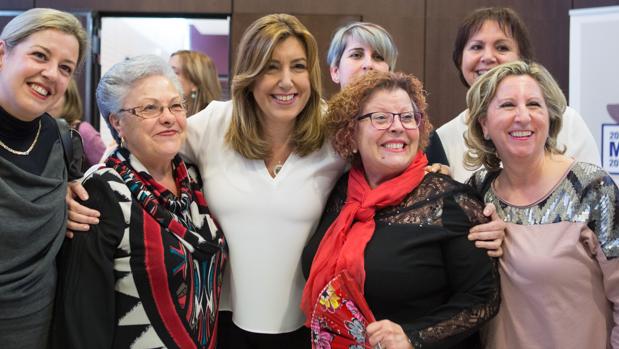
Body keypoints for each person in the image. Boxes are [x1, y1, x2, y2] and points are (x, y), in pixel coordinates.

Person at [302, 71, 499, 349]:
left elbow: (482, 297)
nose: (397, 127)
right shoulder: (339, 192)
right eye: (380, 118)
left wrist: (414, 336)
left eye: (407, 117)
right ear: (351, 131)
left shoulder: (449, 201)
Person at [51, 55, 227, 349]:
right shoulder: (101, 194)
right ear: (117, 123)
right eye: (150, 108)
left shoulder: (196, 179)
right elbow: (83, 319)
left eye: (175, 105)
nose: (169, 117)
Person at [464, 60, 619, 348]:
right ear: (484, 124)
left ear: (550, 118)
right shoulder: (476, 193)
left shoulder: (591, 188)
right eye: (508, 105)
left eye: (534, 104)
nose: (523, 116)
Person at [0, 8, 87, 348]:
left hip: (39, 332)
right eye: (39, 55)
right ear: (3, 53)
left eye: (65, 68)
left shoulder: (63, 141)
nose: (51, 74)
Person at [436, 7, 600, 183]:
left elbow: (595, 195)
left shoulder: (568, 121)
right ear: (460, 59)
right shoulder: (443, 137)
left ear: (522, 59)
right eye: (476, 47)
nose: (488, 57)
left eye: (502, 47)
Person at [327, 21, 449, 166]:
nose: (369, 64)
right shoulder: (320, 130)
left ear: (389, 72)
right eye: (356, 55)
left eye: (378, 57)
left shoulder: (415, 129)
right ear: (335, 71)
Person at [48, 78, 106, 167]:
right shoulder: (40, 128)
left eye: (54, 95)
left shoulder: (83, 130)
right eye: (46, 94)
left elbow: (106, 169)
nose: (46, 101)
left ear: (69, 99)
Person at [170, 50, 222, 115]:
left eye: (174, 72)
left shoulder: (211, 119)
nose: (165, 77)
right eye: (166, 70)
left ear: (195, 83)